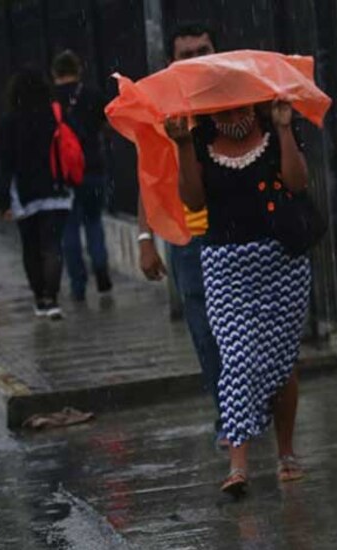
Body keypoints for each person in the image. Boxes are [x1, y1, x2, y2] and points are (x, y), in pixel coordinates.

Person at [167, 98, 311, 496]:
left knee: (282, 360)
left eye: (238, 110)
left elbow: (297, 182)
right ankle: (238, 465)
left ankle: (286, 452)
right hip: (225, 266)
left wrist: (284, 129)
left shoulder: (276, 127)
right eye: (222, 112)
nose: (232, 118)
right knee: (236, 358)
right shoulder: (199, 140)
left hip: (282, 262)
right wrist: (182, 145)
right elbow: (193, 201)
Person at [136, 23, 225, 445]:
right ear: (171, 61)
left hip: (238, 231)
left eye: (202, 50)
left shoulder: (234, 94)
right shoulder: (160, 106)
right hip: (188, 241)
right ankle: (229, 417)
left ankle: (249, 406)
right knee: (206, 334)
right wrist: (144, 239)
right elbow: (149, 173)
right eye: (186, 54)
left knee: (243, 330)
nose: (195, 60)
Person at [0, 68, 72, 320]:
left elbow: (4, 164)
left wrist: (3, 200)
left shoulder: (8, 122)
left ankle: (39, 298)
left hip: (24, 193)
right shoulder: (54, 115)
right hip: (55, 188)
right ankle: (53, 299)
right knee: (52, 245)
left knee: (30, 246)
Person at [52, 50, 112, 301]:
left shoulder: (51, 99)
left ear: (55, 73)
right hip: (92, 168)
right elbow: (107, 125)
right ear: (78, 69)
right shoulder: (92, 94)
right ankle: (101, 269)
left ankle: (78, 284)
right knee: (94, 222)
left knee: (69, 229)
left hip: (64, 174)